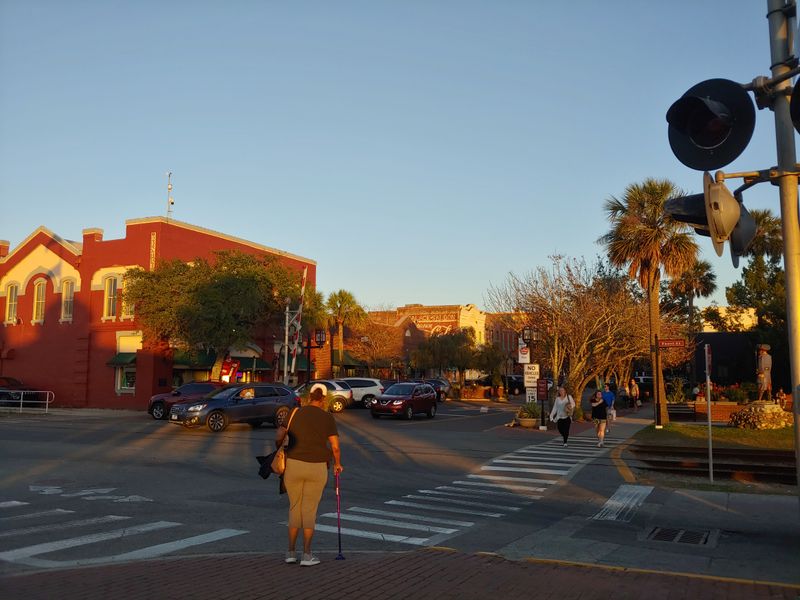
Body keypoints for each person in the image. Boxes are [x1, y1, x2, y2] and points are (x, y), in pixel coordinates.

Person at [274, 383, 343, 567]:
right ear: (324, 398)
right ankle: (307, 554)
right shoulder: (327, 418)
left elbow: (279, 433)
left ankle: (290, 552)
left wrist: (281, 446)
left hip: (294, 465)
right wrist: (337, 464)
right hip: (317, 467)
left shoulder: (294, 413)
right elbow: (335, 447)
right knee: (309, 510)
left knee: (294, 507)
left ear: (309, 396)